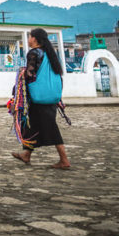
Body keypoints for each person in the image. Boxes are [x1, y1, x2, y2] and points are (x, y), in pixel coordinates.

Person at [13, 28, 71, 169]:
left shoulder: (34, 53)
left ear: (35, 39)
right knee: (33, 125)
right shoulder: (50, 54)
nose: (28, 39)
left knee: (51, 127)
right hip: (52, 95)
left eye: (30, 36)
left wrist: (22, 73)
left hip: (39, 97)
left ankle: (64, 160)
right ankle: (26, 154)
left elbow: (30, 73)